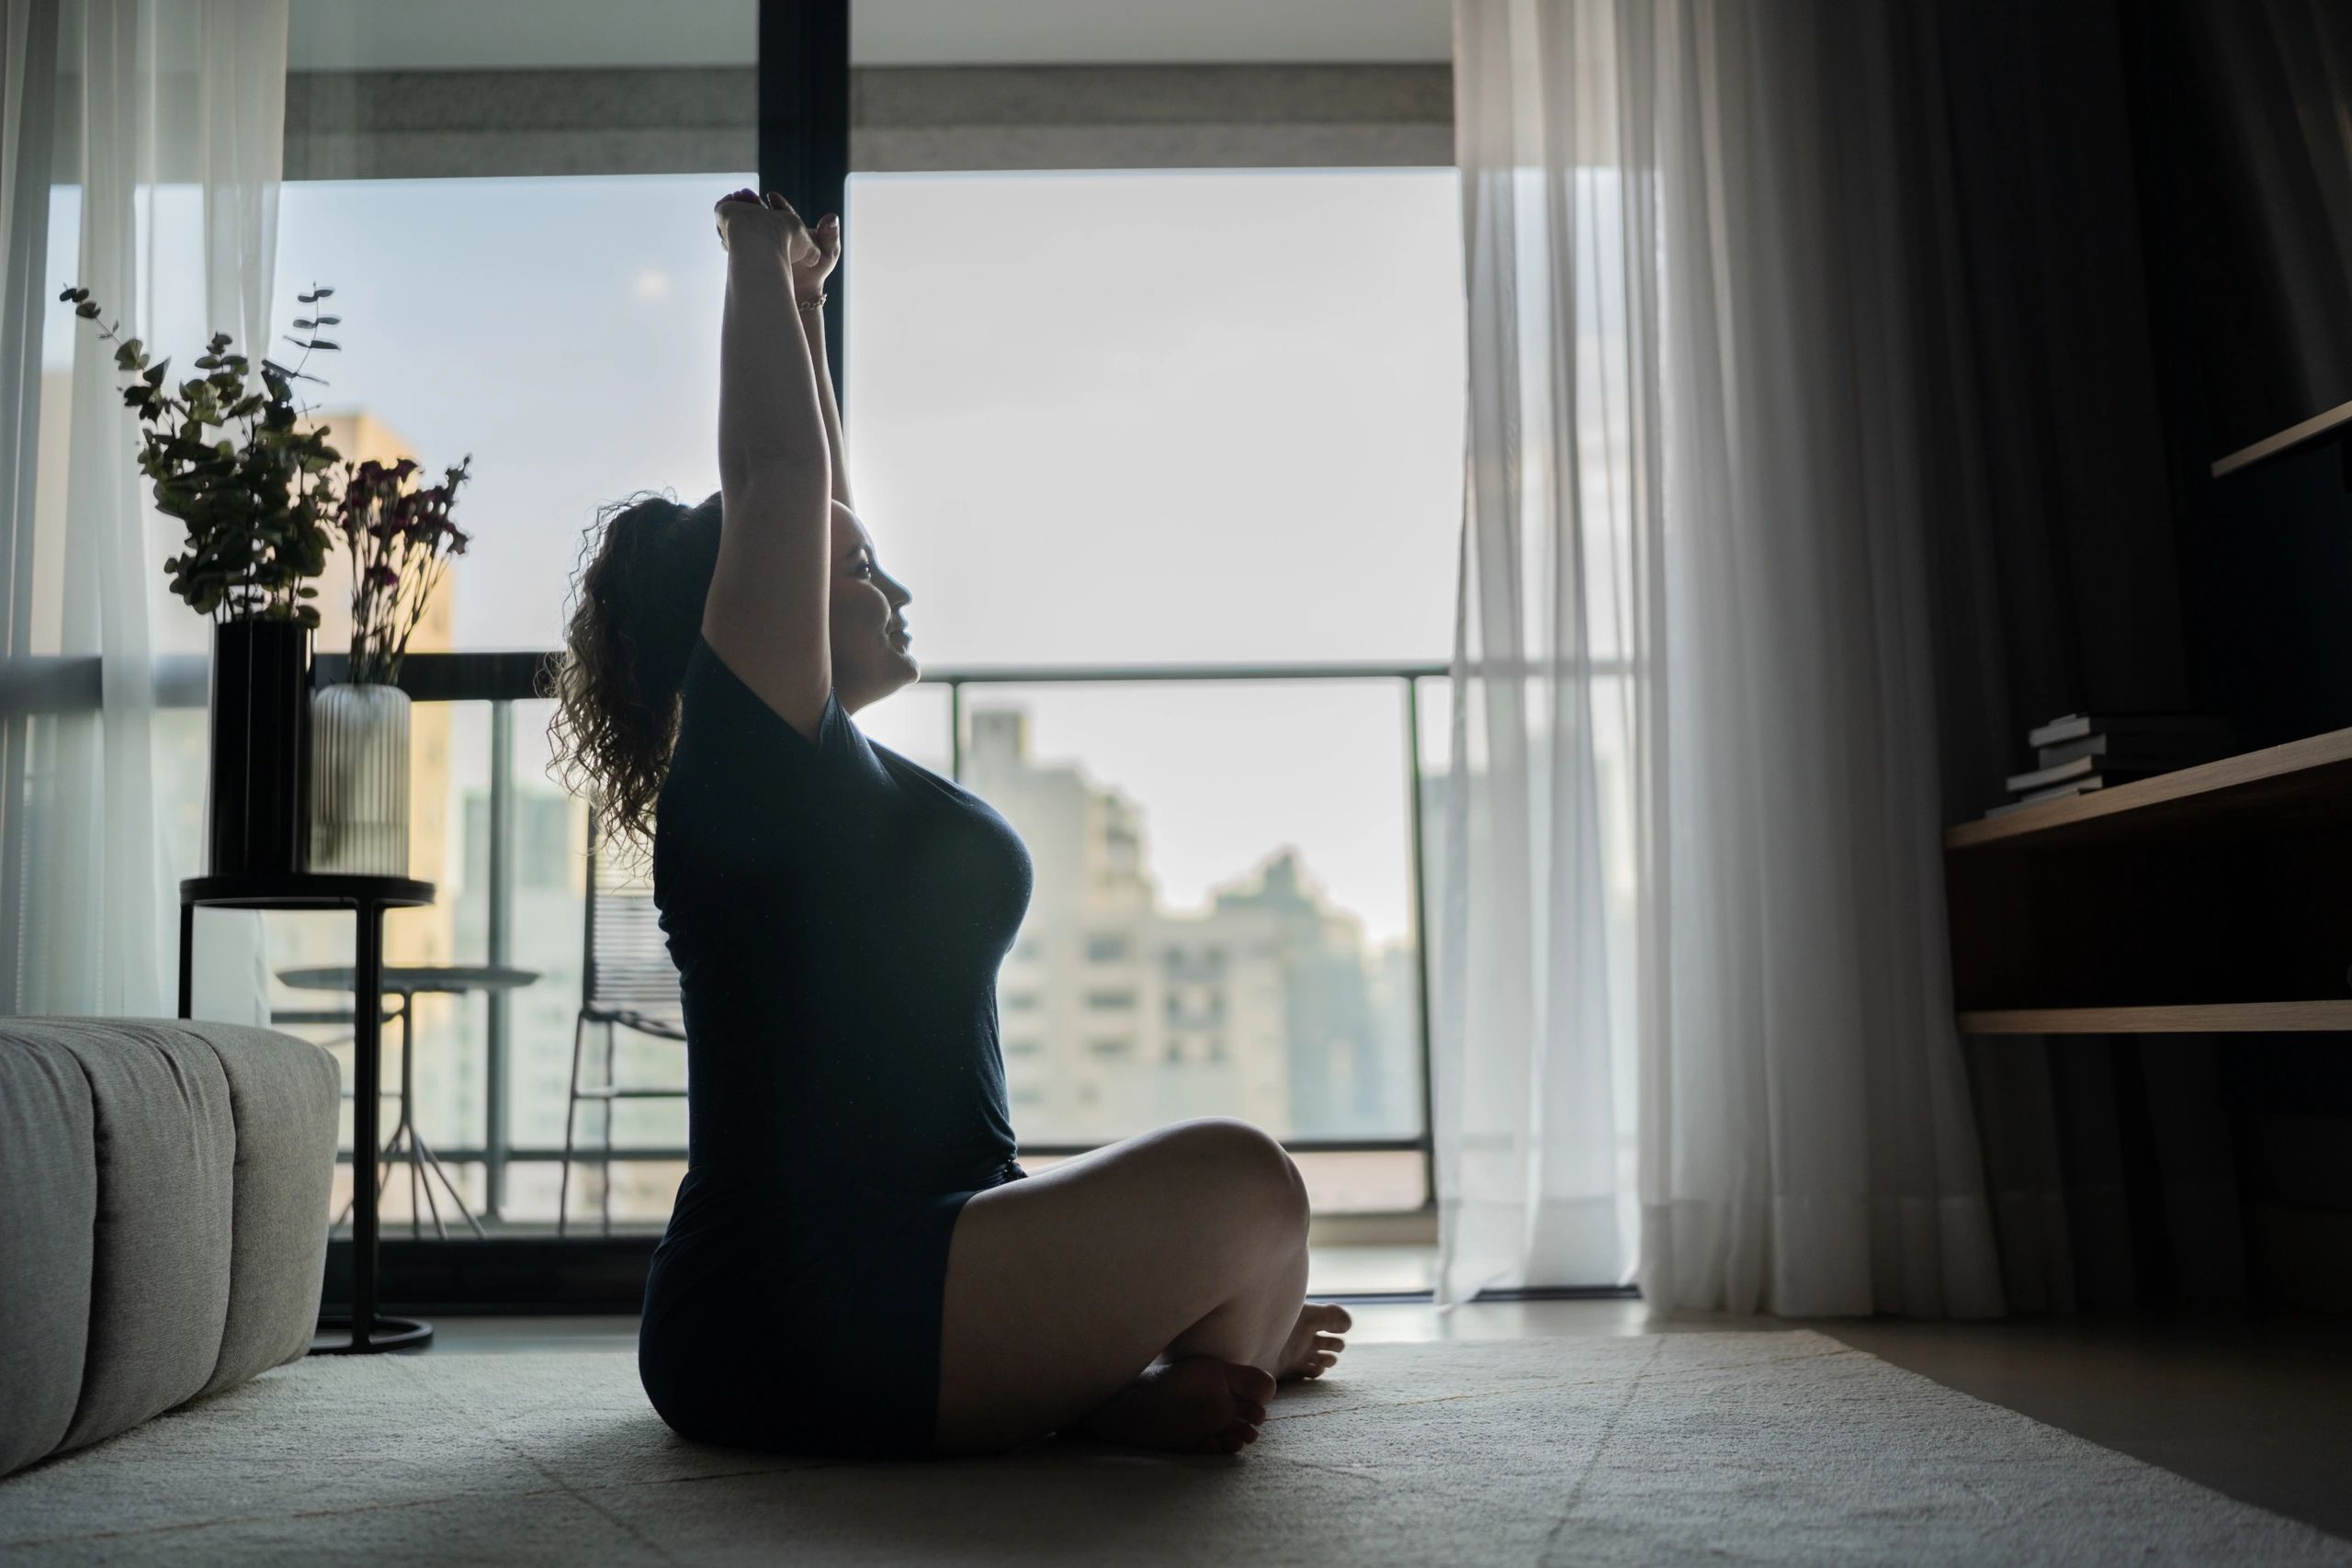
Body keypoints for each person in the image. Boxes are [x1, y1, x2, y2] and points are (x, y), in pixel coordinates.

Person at [550, 188, 1351, 1462]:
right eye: (863, 580)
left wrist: (811, 315)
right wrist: (755, 260)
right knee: (1245, 1186)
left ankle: (1094, 1385)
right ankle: (1097, 1396)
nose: (898, 588)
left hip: (933, 1251)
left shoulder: (835, 778)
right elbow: (779, 484)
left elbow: (823, 506)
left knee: (1264, 1221)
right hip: (789, 1311)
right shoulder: (746, 776)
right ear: (762, 606)